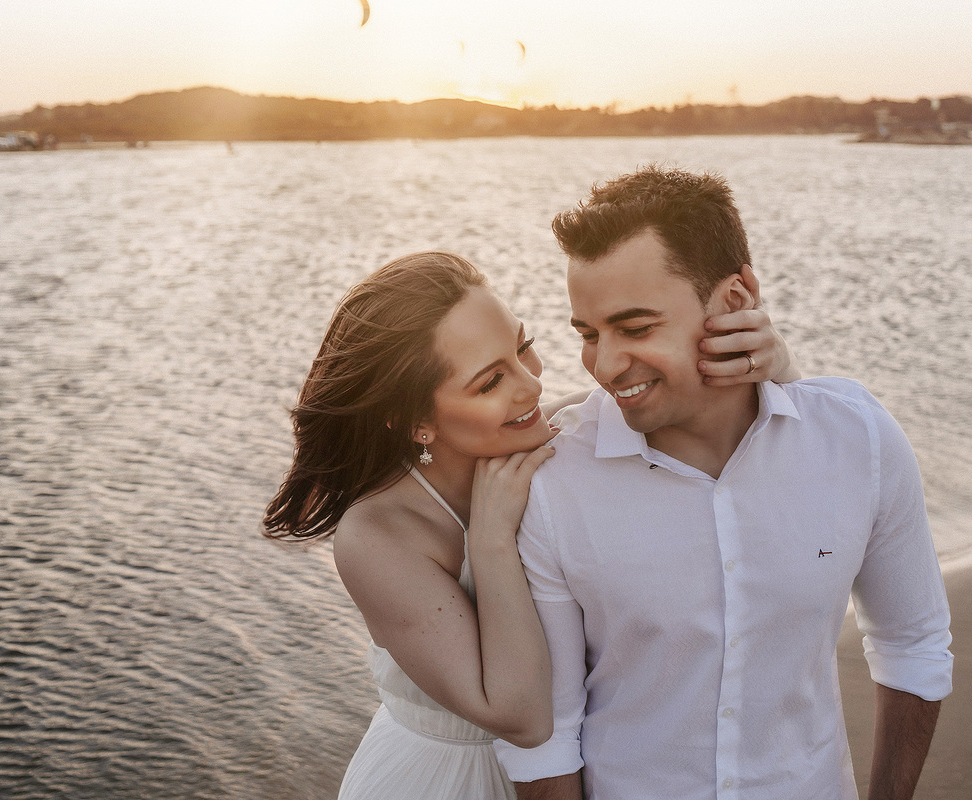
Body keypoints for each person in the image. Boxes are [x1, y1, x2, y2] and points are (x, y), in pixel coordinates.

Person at [263, 251, 797, 799]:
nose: (531, 387)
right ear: (416, 421)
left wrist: (777, 360)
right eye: (491, 382)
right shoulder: (378, 536)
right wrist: (490, 540)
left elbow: (708, 408)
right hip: (445, 781)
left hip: (578, 771)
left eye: (523, 348)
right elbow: (521, 717)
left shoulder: (559, 435)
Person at [494, 167, 954, 800]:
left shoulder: (857, 440)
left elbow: (912, 642)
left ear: (736, 301)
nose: (605, 364)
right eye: (589, 334)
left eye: (636, 328)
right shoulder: (553, 481)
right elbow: (547, 732)